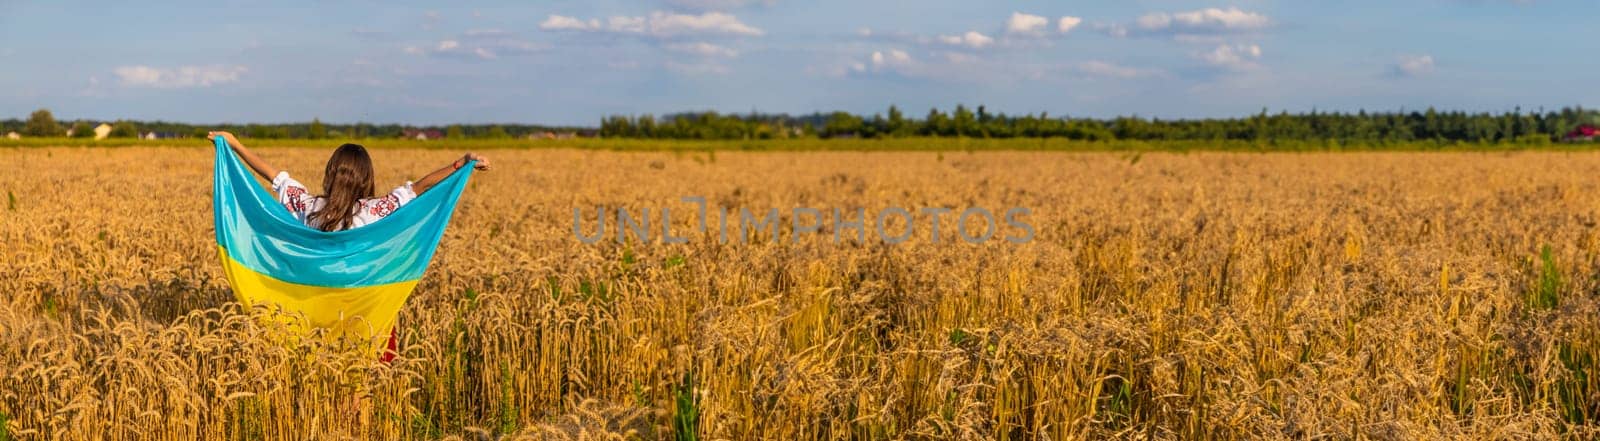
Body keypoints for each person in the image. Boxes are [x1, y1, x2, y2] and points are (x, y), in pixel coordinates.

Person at [209, 131, 490, 361]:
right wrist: (460, 165)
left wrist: (233, 144)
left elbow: (274, 176)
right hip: (362, 310)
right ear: (366, 179)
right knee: (363, 366)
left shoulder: (308, 207)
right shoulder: (375, 210)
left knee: (312, 360)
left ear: (331, 174)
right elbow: (418, 188)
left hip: (312, 311)